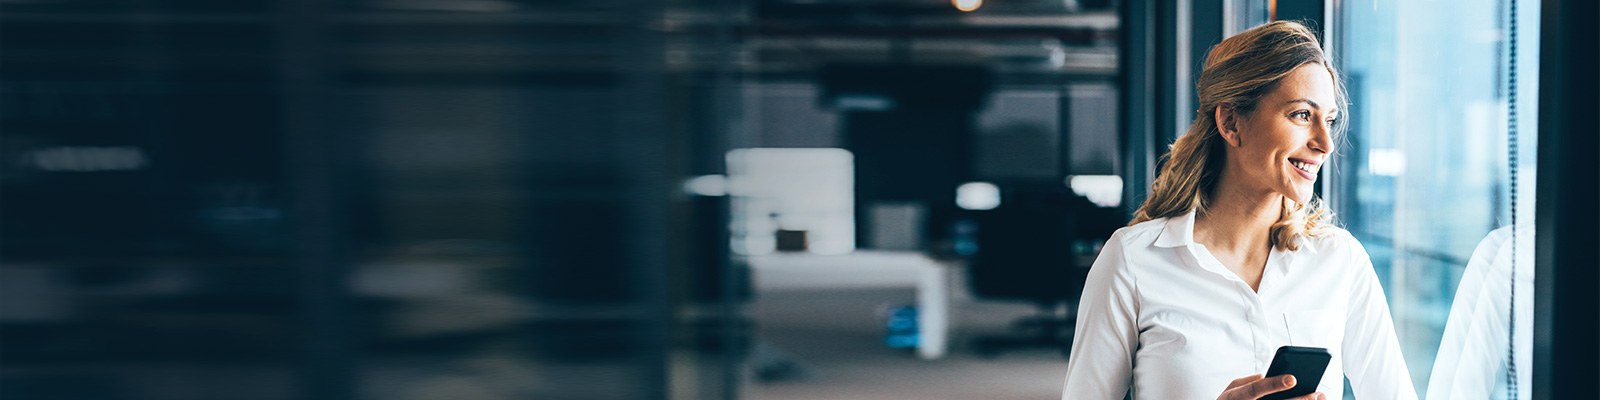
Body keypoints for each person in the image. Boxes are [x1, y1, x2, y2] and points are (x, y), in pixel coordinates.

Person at [1060, 21, 1417, 400]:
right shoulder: (1133, 261)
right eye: (1300, 115)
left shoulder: (1340, 260)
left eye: (1328, 119)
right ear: (1231, 122)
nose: (1324, 143)